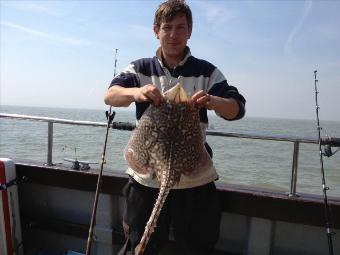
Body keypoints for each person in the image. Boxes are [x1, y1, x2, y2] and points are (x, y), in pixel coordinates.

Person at [104, 1, 246, 254]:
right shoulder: (140, 68)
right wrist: (137, 92)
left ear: (190, 31)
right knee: (140, 244)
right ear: (156, 30)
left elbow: (237, 108)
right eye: (167, 27)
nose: (173, 34)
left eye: (180, 27)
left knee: (197, 247)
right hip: (146, 178)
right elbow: (111, 96)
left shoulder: (207, 72)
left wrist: (213, 101)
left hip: (194, 179)